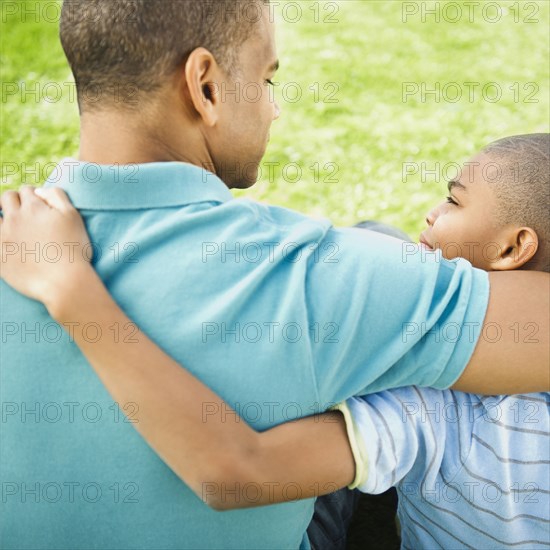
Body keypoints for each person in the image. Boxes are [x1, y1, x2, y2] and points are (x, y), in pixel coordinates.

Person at [1, 0, 549, 546]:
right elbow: (233, 472)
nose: (274, 109)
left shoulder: (18, 237)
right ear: (206, 87)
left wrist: (74, 289)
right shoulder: (327, 275)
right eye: (266, 79)